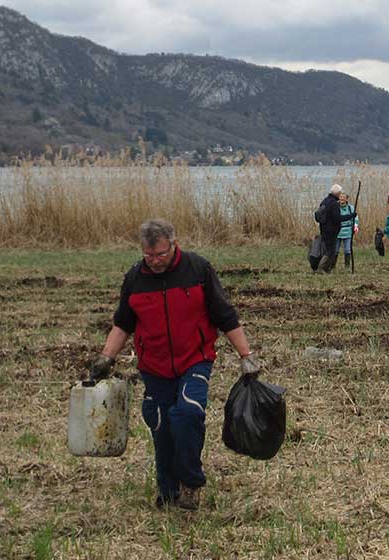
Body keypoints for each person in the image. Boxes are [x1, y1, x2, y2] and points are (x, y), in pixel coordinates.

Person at [88, 218, 261, 511]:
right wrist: (107, 357)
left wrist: (247, 356)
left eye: (161, 254)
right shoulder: (134, 279)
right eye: (148, 255)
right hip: (154, 367)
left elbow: (225, 315)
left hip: (195, 359)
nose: (155, 261)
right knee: (161, 425)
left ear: (174, 244)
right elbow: (123, 324)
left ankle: (191, 483)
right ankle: (168, 491)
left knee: (188, 414)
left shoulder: (197, 269)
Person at [314, 184, 354, 273]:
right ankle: (321, 268)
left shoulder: (324, 201)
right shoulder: (334, 204)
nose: (340, 195)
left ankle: (327, 269)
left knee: (327, 249)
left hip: (324, 229)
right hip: (331, 231)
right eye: (340, 193)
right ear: (337, 193)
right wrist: (351, 216)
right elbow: (338, 218)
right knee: (330, 251)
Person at [336, 191, 359, 270]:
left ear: (346, 199)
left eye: (343, 197)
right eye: (340, 197)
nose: (342, 198)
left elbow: (355, 217)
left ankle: (347, 266)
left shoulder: (350, 208)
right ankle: (332, 265)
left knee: (347, 250)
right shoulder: (335, 207)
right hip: (337, 231)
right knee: (335, 250)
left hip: (348, 232)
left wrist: (355, 225)